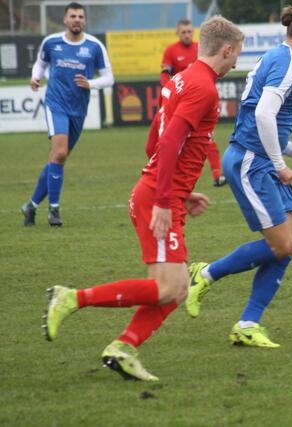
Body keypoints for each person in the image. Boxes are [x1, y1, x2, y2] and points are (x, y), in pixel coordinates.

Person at [41, 16, 244, 381]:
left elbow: (154, 139)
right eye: (235, 56)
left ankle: (123, 347)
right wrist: (166, 198)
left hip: (160, 192)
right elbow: (167, 143)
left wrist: (180, 192)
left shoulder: (183, 79)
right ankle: (70, 298)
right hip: (157, 197)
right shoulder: (204, 87)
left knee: (178, 289)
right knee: (168, 287)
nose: (235, 64)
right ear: (226, 49)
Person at [185, 6, 292, 348]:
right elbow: (263, 115)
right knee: (282, 244)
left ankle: (248, 323)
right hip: (253, 162)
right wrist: (280, 163)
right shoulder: (286, 65)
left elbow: (268, 123)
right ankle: (204, 274)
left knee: (286, 247)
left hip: (260, 159)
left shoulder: (278, 59)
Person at [21, 2, 113, 227]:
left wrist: (90, 83)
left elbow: (109, 78)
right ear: (65, 19)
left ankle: (30, 206)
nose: (77, 20)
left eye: (80, 16)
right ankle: (54, 210)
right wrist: (36, 77)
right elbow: (40, 64)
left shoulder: (94, 46)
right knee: (60, 153)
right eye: (72, 16)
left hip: (78, 110)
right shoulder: (51, 42)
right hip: (56, 105)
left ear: (85, 20)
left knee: (57, 158)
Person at [161, 19, 227, 187]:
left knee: (207, 137)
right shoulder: (170, 51)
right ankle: (166, 171)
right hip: (179, 101)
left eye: (189, 31)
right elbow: (164, 74)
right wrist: (170, 89)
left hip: (197, 100)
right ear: (178, 33)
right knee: (171, 139)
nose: (187, 35)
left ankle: (217, 175)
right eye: (183, 32)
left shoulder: (200, 49)